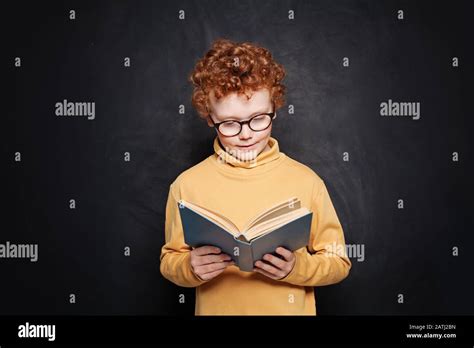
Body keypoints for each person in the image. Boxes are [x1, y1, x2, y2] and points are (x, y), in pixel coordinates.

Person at [160, 38, 351, 315]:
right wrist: (189, 267)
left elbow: (338, 262)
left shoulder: (307, 181)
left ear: (275, 107)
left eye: (259, 118)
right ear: (210, 118)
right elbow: (169, 261)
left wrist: (297, 268)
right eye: (229, 123)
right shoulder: (186, 185)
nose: (246, 133)